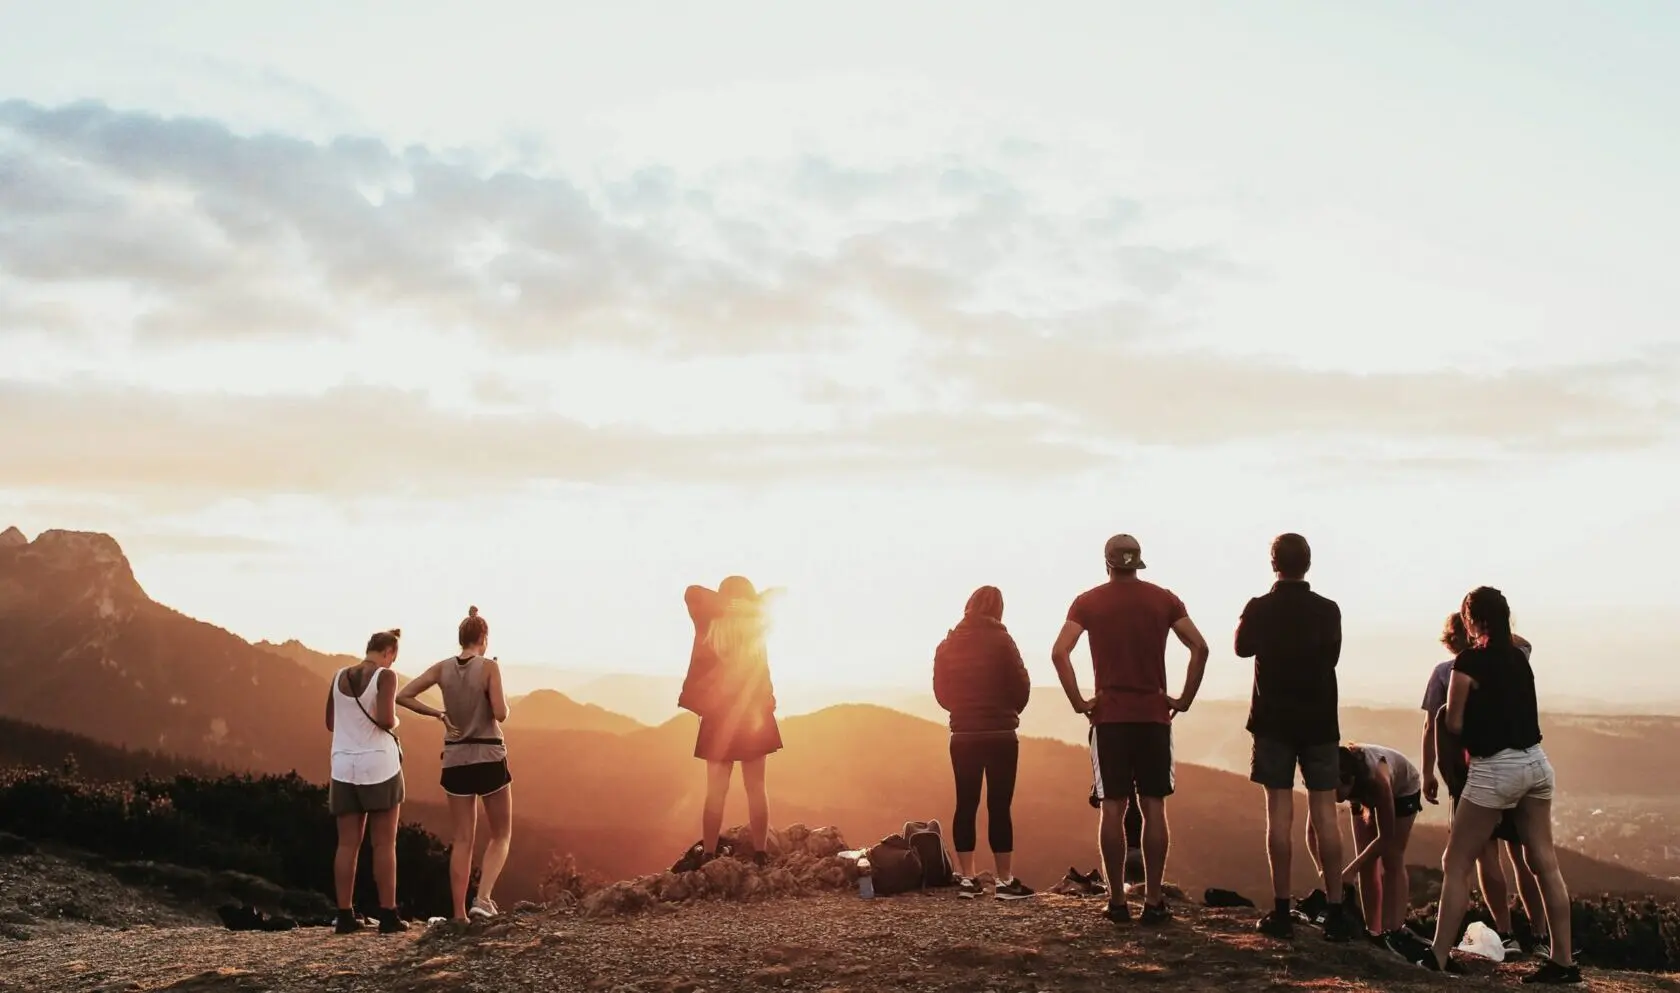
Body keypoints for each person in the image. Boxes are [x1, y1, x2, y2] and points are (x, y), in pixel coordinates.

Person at [1417, 587, 1578, 984]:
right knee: (1544, 863)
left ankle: (1437, 956)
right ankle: (1563, 961)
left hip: (1495, 768)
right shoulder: (1518, 659)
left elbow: (1452, 723)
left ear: (1472, 621)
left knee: (1455, 863)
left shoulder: (1468, 662)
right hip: (1536, 763)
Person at [1051, 534, 1209, 925]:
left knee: (1112, 808)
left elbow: (1059, 652)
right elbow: (1200, 647)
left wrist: (1078, 701)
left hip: (1110, 718)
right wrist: (1183, 698)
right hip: (1154, 715)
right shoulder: (1164, 599)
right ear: (1138, 563)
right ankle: (1154, 902)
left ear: (1107, 564)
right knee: (1154, 807)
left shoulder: (1087, 602)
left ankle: (1117, 901)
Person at [1235, 533, 1359, 942]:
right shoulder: (1328, 610)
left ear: (1274, 563)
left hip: (1273, 721)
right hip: (1320, 721)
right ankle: (1336, 910)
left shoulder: (1260, 608)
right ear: (1308, 563)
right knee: (1326, 816)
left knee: (1279, 817)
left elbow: (1240, 648)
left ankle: (1282, 910)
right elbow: (1333, 658)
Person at [1423, 612, 1548, 956]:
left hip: (1472, 772)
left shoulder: (1444, 673)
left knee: (1482, 857)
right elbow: (1524, 644)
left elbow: (1434, 726)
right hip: (1514, 764)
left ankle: (1505, 934)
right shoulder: (1510, 661)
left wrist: (1430, 772)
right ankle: (1539, 937)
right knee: (1524, 856)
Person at [397, 606, 513, 922]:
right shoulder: (489, 667)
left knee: (463, 838)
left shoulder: (442, 668)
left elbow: (403, 696)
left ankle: (459, 914)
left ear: (461, 638)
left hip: (456, 759)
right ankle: (484, 899)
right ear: (484, 639)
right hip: (488, 756)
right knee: (501, 833)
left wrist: (438, 714)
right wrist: (494, 687)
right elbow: (501, 713)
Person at [933, 585, 1034, 900]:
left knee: (966, 803)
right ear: (998, 610)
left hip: (963, 735)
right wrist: (1006, 711)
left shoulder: (947, 645)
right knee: (999, 805)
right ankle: (1004, 881)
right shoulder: (1004, 642)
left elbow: (941, 693)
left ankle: (967, 878)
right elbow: (1022, 686)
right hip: (1001, 734)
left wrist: (962, 712)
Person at [678, 576, 782, 867]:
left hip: (719, 716)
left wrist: (727, 605)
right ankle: (761, 853)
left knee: (715, 791)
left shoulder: (709, 626)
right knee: (756, 787)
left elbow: (692, 592)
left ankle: (709, 854)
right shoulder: (756, 629)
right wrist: (749, 604)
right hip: (753, 716)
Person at [325, 628, 410, 934]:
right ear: (389, 652)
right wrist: (395, 720)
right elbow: (387, 719)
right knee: (385, 843)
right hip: (378, 767)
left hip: (343, 767)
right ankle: (388, 915)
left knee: (347, 844)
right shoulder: (385, 677)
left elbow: (330, 723)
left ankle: (344, 915)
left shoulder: (338, 677)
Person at [1310, 744, 1422, 942]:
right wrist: (1323, 871)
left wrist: (1349, 872)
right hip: (1361, 793)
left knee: (1392, 858)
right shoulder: (1329, 777)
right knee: (1366, 863)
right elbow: (1312, 831)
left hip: (1402, 790)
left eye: (1336, 789)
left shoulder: (1378, 779)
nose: (1333, 795)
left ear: (1350, 780)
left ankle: (1393, 930)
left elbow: (1386, 838)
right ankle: (1374, 931)